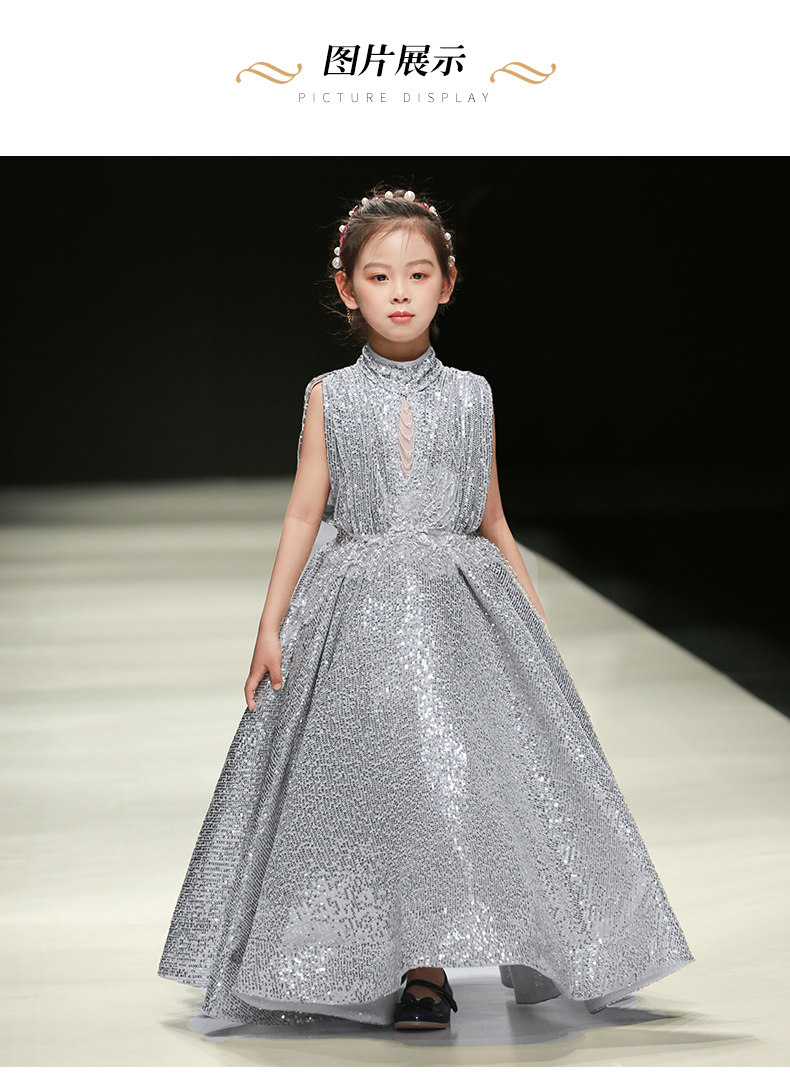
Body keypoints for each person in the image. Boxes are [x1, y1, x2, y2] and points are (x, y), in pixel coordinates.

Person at [157, 184, 693, 1033]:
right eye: (379, 276)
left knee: (474, 783)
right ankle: (415, 968)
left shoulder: (474, 394)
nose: (399, 292)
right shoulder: (330, 395)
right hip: (357, 615)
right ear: (347, 288)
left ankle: (490, 952)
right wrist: (270, 623)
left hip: (461, 613)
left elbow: (492, 517)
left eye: (417, 274)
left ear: (448, 283)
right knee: (385, 786)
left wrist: (531, 617)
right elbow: (304, 512)